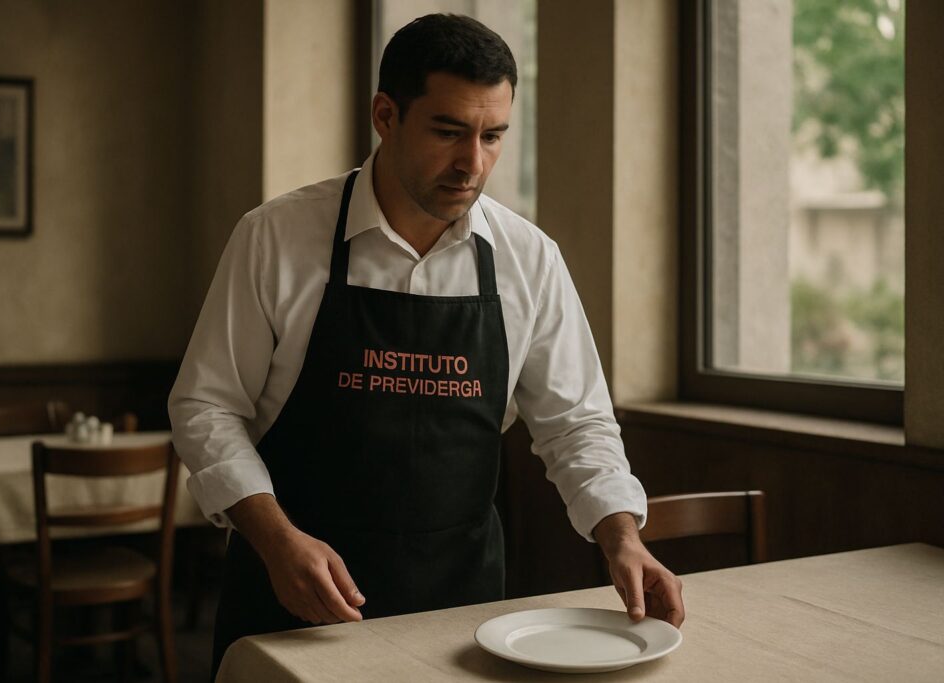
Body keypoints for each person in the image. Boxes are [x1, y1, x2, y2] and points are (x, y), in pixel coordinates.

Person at [169, 13, 685, 677]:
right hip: (294, 598)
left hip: (462, 610)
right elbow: (206, 406)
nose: (473, 163)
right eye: (448, 132)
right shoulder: (275, 238)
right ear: (386, 115)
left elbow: (577, 423)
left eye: (492, 136)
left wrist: (622, 537)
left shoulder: (529, 258)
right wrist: (275, 540)